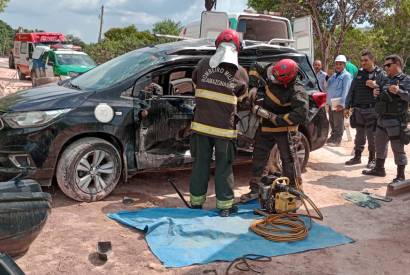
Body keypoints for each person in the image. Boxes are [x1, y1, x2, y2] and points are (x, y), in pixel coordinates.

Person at [189, 29, 249, 217]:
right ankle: (224, 206)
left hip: (201, 127)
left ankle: (196, 204)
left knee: (200, 164)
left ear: (217, 45)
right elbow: (243, 100)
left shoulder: (202, 64)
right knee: (224, 167)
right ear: (237, 49)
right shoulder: (240, 73)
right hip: (224, 130)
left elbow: (195, 84)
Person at [240, 59, 308, 202]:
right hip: (266, 127)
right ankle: (256, 190)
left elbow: (300, 114)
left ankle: (293, 193)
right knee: (259, 157)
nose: (272, 79)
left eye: (276, 79)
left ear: (287, 80)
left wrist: (275, 118)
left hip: (286, 130)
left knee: (289, 161)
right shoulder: (273, 70)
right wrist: (252, 86)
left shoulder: (297, 91)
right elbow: (255, 65)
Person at [363, 54, 410, 183]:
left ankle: (400, 176)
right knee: (379, 145)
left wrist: (399, 91)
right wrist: (375, 93)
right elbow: (379, 96)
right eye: (385, 65)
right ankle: (379, 169)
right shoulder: (385, 79)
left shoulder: (405, 79)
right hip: (382, 119)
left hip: (396, 120)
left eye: (389, 65)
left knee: (397, 147)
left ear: (397, 64)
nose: (386, 68)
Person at [345, 50, 385, 168]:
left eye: (366, 60)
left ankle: (372, 159)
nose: (363, 63)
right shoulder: (359, 73)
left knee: (372, 136)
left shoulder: (380, 74)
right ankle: (357, 157)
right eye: (362, 60)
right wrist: (347, 106)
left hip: (372, 110)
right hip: (358, 110)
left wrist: (375, 85)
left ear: (373, 60)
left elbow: (386, 89)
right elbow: (352, 90)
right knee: (359, 135)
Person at [326, 55, 353, 147]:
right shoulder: (334, 75)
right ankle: (333, 136)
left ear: (344, 65)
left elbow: (346, 90)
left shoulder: (347, 76)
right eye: (336, 64)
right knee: (332, 121)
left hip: (338, 103)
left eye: (340, 64)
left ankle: (337, 139)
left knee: (338, 122)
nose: (338, 66)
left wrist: (342, 104)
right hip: (331, 103)